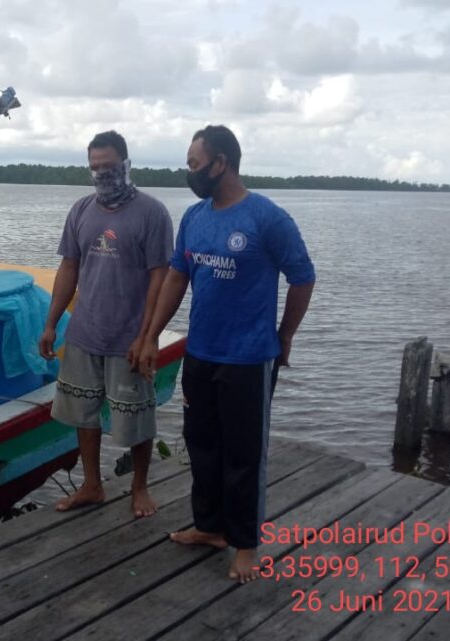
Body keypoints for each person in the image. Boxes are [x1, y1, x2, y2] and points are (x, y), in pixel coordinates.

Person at [139, 125, 315, 583]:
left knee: (243, 454)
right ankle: (210, 527)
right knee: (202, 445)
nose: (189, 172)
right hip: (201, 355)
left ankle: (245, 544)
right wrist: (152, 335)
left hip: (249, 359)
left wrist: (286, 335)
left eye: (195, 164)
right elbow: (177, 278)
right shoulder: (195, 217)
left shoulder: (267, 218)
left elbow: (302, 277)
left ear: (222, 163)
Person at [39, 130, 174, 518]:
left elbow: (159, 277)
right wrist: (51, 324)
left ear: (126, 165)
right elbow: (68, 267)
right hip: (84, 332)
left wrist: (148, 336)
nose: (102, 174)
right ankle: (92, 485)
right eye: (95, 167)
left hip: (129, 338)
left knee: (136, 417)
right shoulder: (81, 210)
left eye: (109, 167)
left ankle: (140, 488)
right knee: (83, 413)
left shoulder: (152, 213)